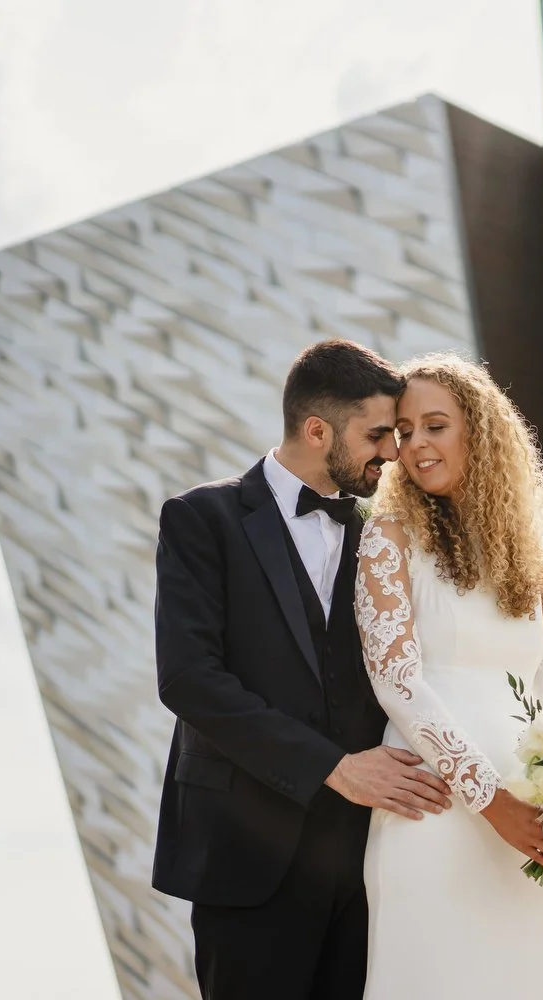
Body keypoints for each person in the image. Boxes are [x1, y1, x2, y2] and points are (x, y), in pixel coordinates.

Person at [151, 339, 454, 999]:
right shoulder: (201, 519)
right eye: (377, 434)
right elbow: (188, 678)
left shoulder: (387, 533)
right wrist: (334, 768)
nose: (393, 451)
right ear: (317, 431)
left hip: (370, 860)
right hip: (244, 856)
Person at [354, 353, 543, 999]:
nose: (417, 445)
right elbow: (396, 681)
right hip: (436, 808)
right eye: (403, 432)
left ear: (479, 431)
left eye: (435, 425)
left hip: (531, 814)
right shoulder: (389, 538)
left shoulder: (530, 549)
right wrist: (490, 800)